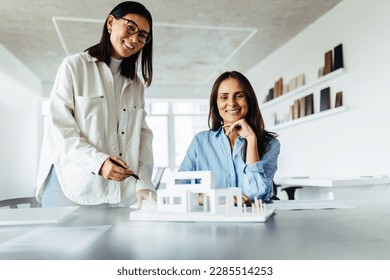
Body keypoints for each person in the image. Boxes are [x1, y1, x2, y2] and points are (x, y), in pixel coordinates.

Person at [36, 1, 156, 208]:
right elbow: (60, 129)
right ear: (111, 22)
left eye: (143, 35)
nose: (135, 38)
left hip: (118, 193)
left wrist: (143, 181)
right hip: (72, 185)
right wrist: (98, 163)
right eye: (130, 27)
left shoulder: (136, 85)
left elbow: (143, 136)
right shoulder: (75, 66)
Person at [179, 71, 280, 204]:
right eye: (224, 97)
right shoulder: (200, 142)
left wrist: (251, 139)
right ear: (216, 104)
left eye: (239, 96)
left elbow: (257, 195)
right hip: (211, 220)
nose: (231, 103)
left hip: (254, 220)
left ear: (249, 100)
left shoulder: (270, 144)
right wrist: (214, 199)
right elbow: (178, 191)